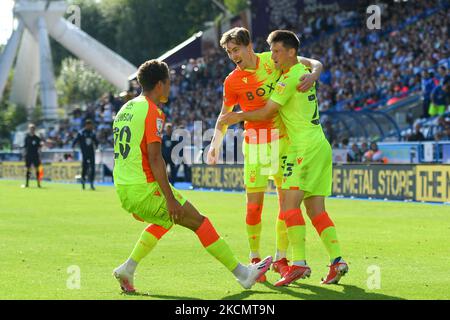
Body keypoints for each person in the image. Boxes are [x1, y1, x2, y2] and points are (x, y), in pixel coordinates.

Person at [112, 59, 272, 293]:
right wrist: (169, 198)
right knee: (199, 221)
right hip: (143, 186)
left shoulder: (125, 109)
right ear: (159, 84)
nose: (170, 87)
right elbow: (155, 158)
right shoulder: (152, 111)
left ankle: (128, 268)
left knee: (164, 221)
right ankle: (243, 274)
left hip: (124, 187)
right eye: (168, 83)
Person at [220, 30, 348, 286]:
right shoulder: (302, 73)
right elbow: (315, 63)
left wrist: (238, 117)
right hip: (321, 145)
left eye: (277, 52)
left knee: (288, 207)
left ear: (291, 53)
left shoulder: (288, 79)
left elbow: (267, 112)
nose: (273, 57)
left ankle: (297, 263)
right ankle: (337, 261)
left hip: (300, 149)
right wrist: (315, 73)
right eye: (272, 52)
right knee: (316, 210)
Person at [72, 119, 98, 190]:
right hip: (84, 153)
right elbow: (75, 140)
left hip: (91, 153)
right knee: (85, 168)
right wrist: (73, 146)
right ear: (86, 125)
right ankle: (83, 182)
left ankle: (92, 183)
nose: (90, 126)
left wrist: (97, 146)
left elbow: (96, 141)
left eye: (91, 125)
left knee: (93, 168)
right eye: (89, 125)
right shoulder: (81, 133)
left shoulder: (92, 133)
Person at [23, 123, 43, 188]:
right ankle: (27, 184)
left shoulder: (37, 138)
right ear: (29, 129)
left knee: (37, 169)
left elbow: (39, 148)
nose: (32, 130)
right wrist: (24, 155)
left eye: (33, 129)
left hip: (35, 155)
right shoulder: (27, 137)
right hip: (28, 155)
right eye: (31, 129)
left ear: (34, 130)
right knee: (28, 169)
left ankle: (38, 184)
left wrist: (40, 156)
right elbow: (25, 147)